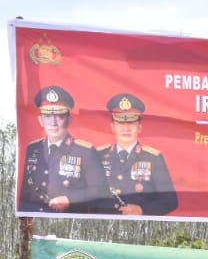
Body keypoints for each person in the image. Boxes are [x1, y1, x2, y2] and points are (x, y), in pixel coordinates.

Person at [19, 85, 102, 213]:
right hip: (37, 217)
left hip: (69, 219)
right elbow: (25, 192)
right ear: (40, 120)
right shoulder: (33, 149)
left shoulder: (85, 152)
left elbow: (100, 190)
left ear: (69, 120)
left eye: (59, 116)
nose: (53, 122)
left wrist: (70, 199)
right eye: (47, 116)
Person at [96, 93, 179, 216]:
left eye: (131, 123)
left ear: (140, 127)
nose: (126, 128)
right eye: (120, 123)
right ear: (112, 127)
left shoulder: (152, 158)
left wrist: (142, 210)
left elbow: (170, 201)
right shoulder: (97, 156)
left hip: (139, 227)